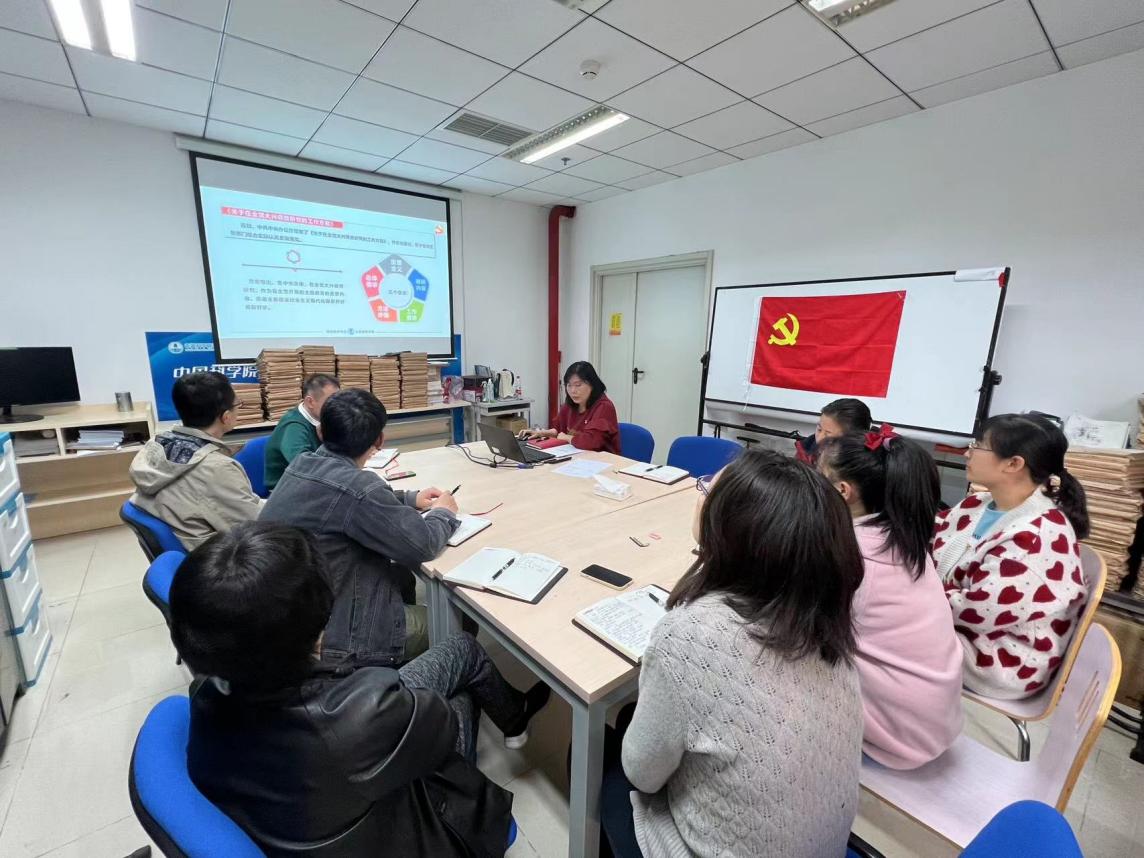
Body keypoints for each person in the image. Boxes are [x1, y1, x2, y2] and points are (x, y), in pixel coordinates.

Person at [171, 522, 550, 856]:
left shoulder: (204, 695)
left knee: (455, 665)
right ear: (321, 619)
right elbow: (441, 726)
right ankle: (513, 721)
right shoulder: (361, 714)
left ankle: (512, 715)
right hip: (399, 832)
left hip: (313, 814)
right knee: (462, 686)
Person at [600, 450, 865, 858]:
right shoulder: (825, 623)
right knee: (636, 720)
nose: (700, 496)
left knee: (597, 757)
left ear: (732, 529)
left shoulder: (690, 633)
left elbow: (642, 775)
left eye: (708, 491)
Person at [260, 388, 458, 664]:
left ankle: (393, 665)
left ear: (320, 432)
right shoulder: (359, 487)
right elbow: (421, 543)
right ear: (379, 440)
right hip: (329, 635)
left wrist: (408, 498)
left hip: (288, 612)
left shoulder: (303, 463)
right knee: (457, 622)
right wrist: (444, 513)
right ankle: (393, 672)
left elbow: (343, 499)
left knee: (401, 575)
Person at [817, 426, 963, 769]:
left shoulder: (851, 556)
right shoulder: (902, 539)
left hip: (897, 737)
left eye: (818, 478)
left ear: (843, 491)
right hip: (934, 719)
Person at [934, 413, 1090, 700]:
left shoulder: (1035, 536)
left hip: (1000, 658)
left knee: (881, 630)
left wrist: (912, 592)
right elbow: (933, 539)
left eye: (978, 446)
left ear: (1013, 463)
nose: (968, 452)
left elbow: (978, 611)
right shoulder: (977, 504)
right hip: (963, 627)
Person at [129, 371, 262, 550]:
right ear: (226, 416)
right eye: (237, 404)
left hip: (189, 542)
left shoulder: (157, 444)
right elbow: (258, 527)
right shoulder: (217, 468)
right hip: (218, 557)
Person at [263, 373, 340, 493]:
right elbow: (304, 465)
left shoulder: (324, 418)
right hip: (286, 490)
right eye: (330, 402)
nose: (337, 407)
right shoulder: (294, 425)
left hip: (314, 483)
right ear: (310, 402)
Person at [521, 361, 620, 454]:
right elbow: (559, 430)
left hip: (602, 460)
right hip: (577, 456)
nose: (573, 391)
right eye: (569, 385)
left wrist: (567, 438)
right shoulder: (570, 404)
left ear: (592, 385)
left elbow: (591, 442)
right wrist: (540, 433)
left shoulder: (604, 407)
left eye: (578, 385)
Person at [795, 397, 872, 465]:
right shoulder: (805, 450)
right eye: (819, 429)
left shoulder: (863, 466)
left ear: (853, 440)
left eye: (828, 435)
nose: (819, 439)